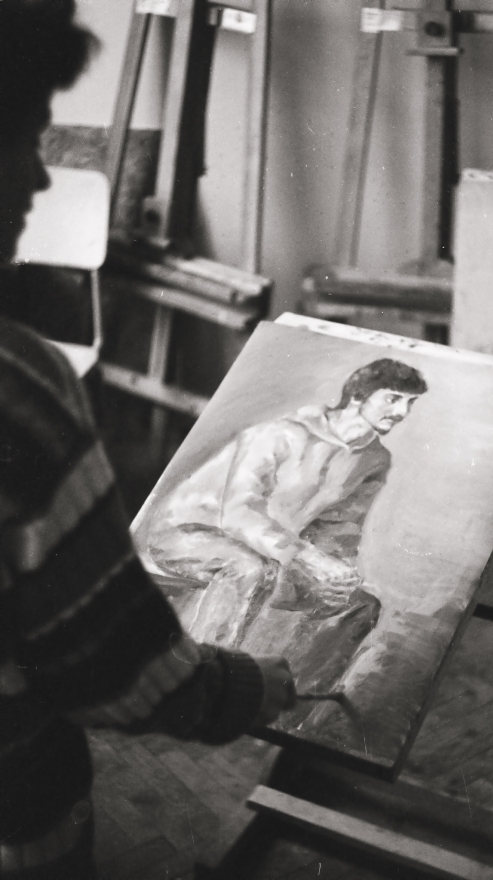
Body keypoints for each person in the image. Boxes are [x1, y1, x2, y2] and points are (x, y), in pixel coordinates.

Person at [0, 3, 294, 878]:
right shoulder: (20, 395)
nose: (40, 179)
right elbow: (117, 676)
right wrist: (250, 688)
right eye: (24, 139)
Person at [143, 359, 427, 693]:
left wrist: (337, 571)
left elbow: (341, 529)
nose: (402, 412)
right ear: (358, 396)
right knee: (250, 568)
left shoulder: (375, 459)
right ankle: (200, 681)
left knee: (360, 604)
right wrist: (308, 558)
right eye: (393, 398)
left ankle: (293, 699)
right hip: (188, 533)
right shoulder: (281, 433)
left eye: (410, 403)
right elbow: (238, 512)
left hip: (275, 552)